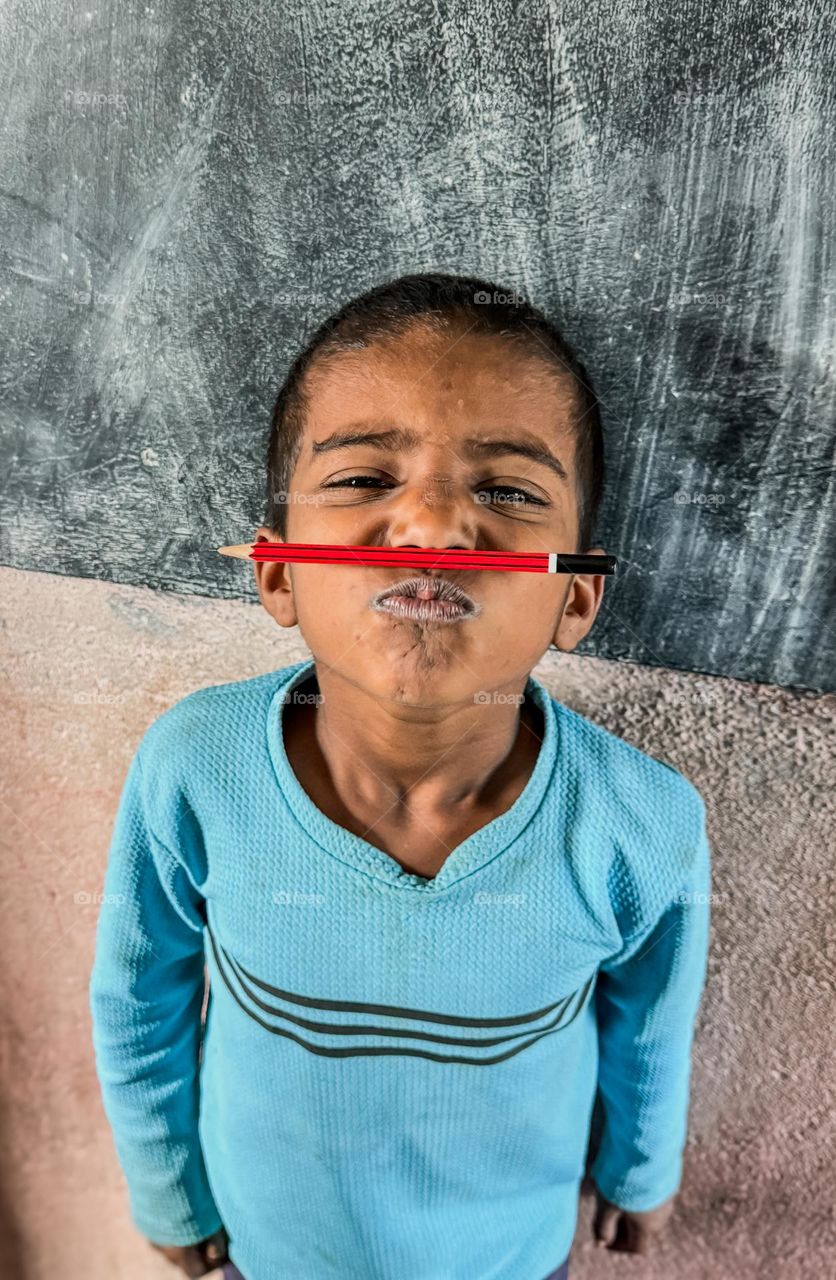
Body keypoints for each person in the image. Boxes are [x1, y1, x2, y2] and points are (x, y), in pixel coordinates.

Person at [89, 272, 711, 1279]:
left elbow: (649, 1025)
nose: (428, 528)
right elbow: (137, 999)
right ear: (278, 572)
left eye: (506, 490)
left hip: (511, 1256)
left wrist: (641, 1172)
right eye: (363, 479)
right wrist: (166, 1188)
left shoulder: (640, 823)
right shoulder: (193, 767)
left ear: (575, 601)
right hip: (270, 1249)